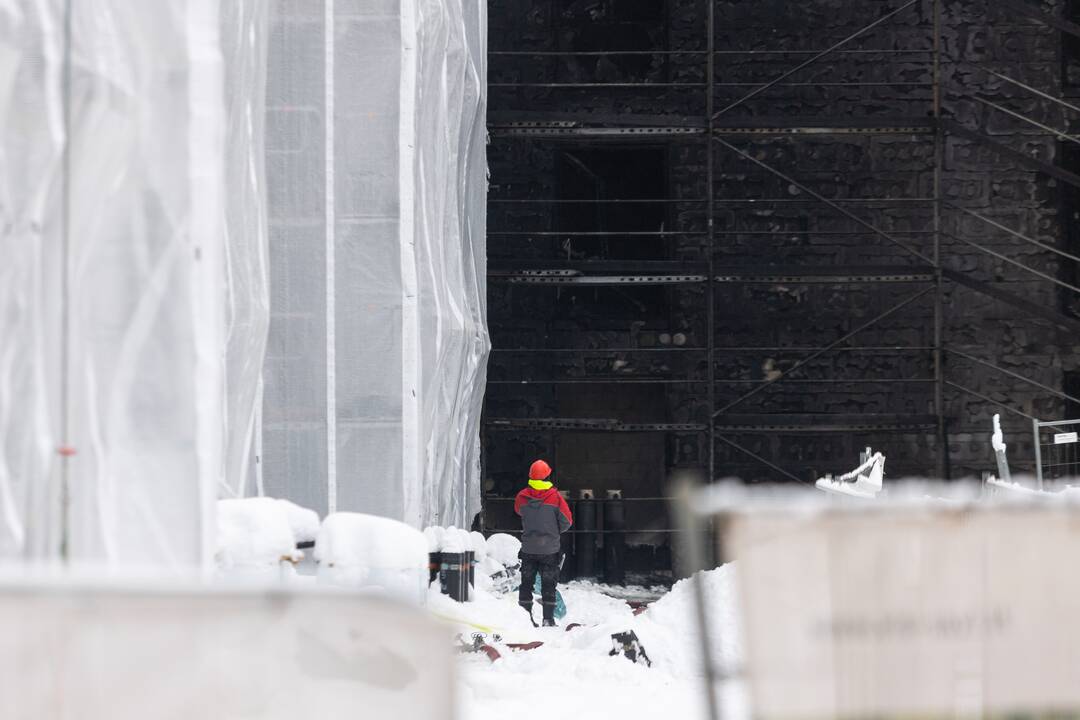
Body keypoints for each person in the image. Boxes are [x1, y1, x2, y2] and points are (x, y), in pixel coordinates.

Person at [514, 459, 573, 627]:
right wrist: (553, 532)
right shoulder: (555, 497)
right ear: (547, 476)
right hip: (549, 549)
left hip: (528, 548)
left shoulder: (522, 496)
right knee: (548, 584)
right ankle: (548, 619)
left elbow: (518, 511)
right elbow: (567, 521)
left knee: (526, 583)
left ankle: (525, 619)